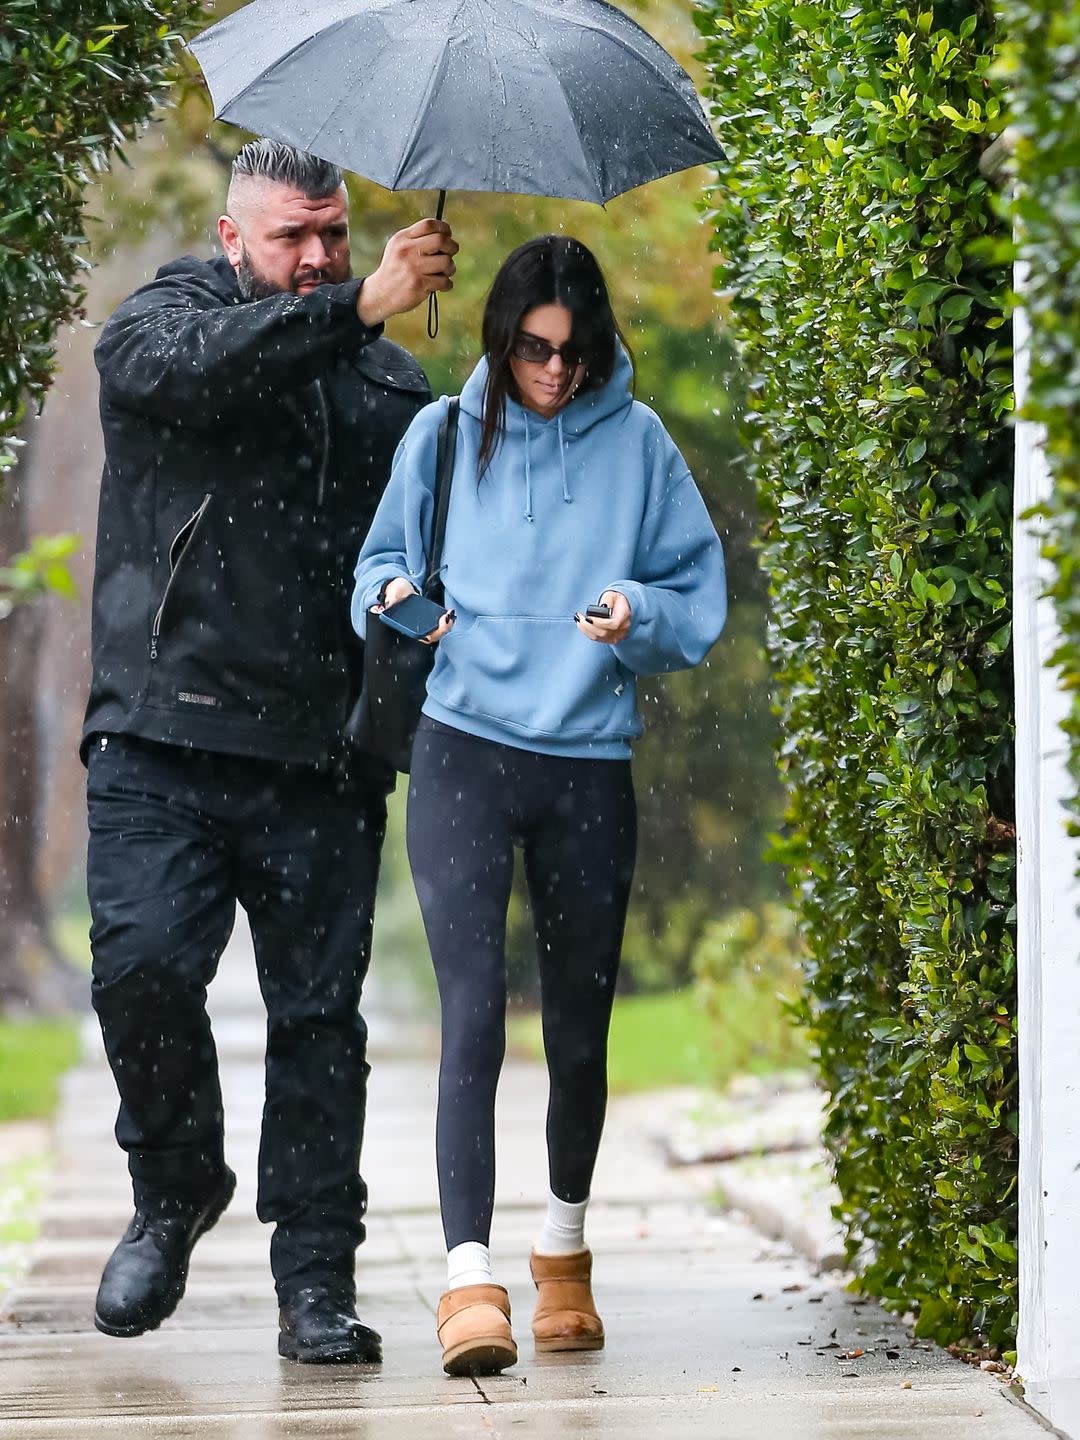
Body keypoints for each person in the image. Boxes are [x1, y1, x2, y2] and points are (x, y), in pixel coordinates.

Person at [83, 138, 458, 1364]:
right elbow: (187, 370)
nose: (317, 259)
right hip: (157, 732)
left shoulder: (390, 387)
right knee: (141, 970)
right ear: (234, 238)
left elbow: (420, 569)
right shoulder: (167, 325)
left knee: (318, 1025)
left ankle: (316, 1283)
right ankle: (175, 1185)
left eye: (335, 235)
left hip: (314, 758)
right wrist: (350, 309)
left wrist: (386, 722)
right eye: (293, 237)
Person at [351, 235, 726, 1375]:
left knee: (577, 1026)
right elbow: (376, 575)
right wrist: (420, 613)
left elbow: (693, 594)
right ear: (501, 338)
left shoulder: (642, 444)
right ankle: (470, 1281)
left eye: (573, 351)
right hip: (464, 752)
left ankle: (562, 1255)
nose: (555, 372)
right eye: (533, 349)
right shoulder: (445, 435)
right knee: (473, 1015)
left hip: (587, 764)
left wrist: (634, 614)